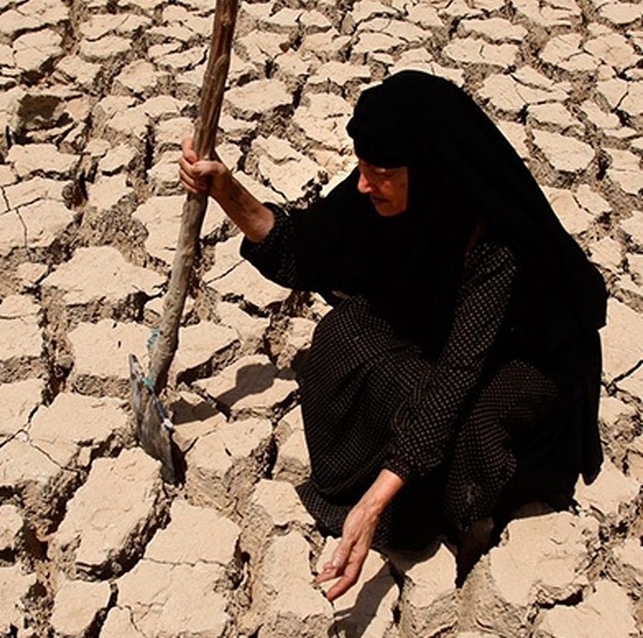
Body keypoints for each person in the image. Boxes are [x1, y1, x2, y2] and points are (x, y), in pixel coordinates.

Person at [178, 70, 606, 601]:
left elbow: (456, 378)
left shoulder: (495, 245)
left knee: (471, 429)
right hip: (443, 343)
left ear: (427, 171)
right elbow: (305, 249)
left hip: (525, 366)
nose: (362, 184)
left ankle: (468, 520)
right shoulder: (385, 193)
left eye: (379, 172)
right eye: (361, 166)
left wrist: (373, 504)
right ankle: (406, 482)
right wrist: (226, 190)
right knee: (344, 335)